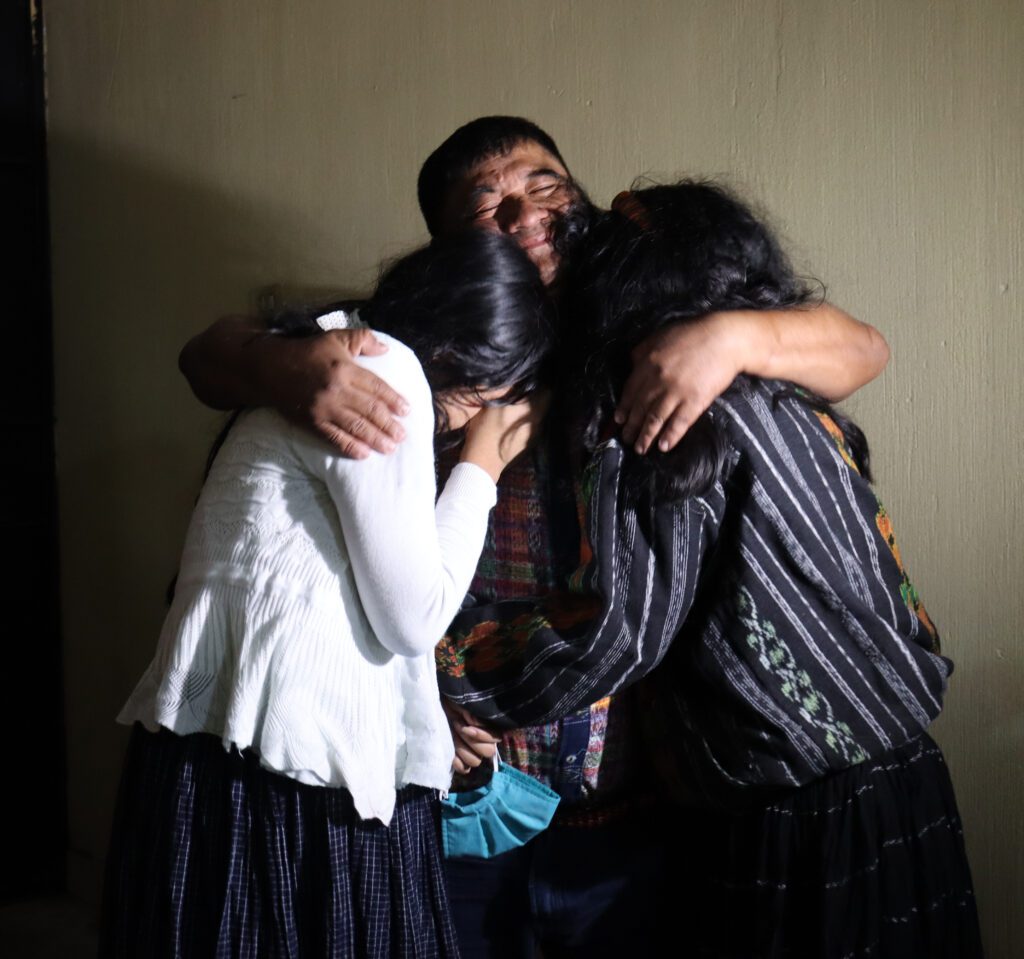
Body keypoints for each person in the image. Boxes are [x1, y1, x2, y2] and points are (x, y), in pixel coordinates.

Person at [176, 117, 892, 956]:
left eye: (545, 185)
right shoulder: (419, 342)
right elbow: (204, 357)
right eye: (490, 203)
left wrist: (732, 336)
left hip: (633, 810)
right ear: (449, 245)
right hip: (454, 795)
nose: (525, 213)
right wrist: (281, 364)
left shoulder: (652, 323)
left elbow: (859, 347)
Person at [436, 181, 984, 958]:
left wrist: (437, 667)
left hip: (796, 814)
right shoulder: (788, 388)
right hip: (905, 779)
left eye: (551, 191)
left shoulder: (667, 411)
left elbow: (614, 631)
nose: (539, 220)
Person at [99, 230, 553, 959]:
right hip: (296, 768)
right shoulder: (389, 373)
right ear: (473, 368)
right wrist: (483, 461)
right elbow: (412, 618)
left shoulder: (328, 347)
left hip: (214, 744)